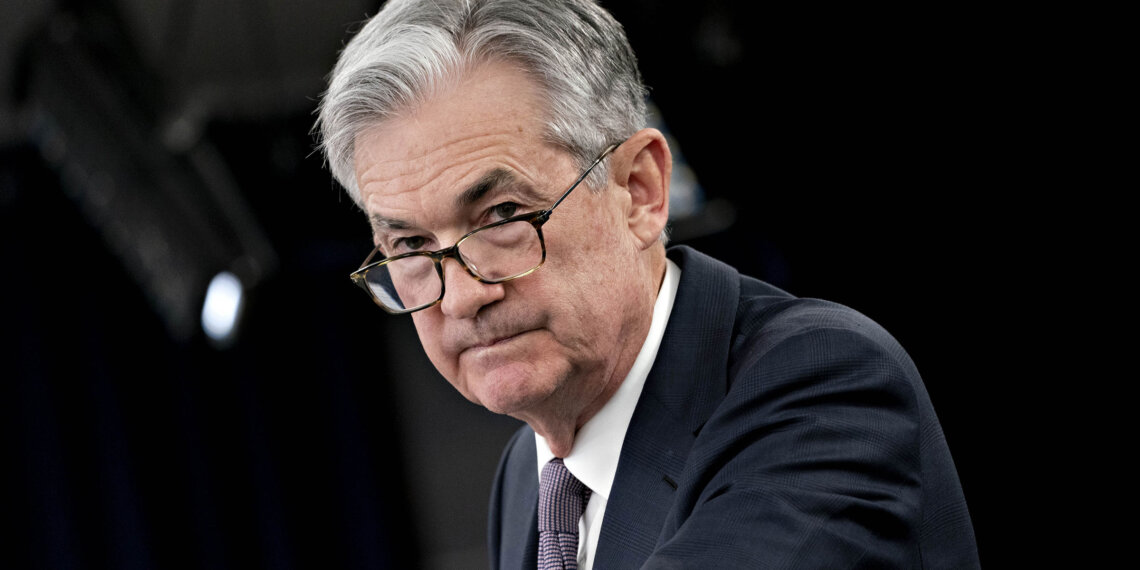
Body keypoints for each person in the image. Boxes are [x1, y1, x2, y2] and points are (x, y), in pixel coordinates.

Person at [316, 0, 980, 567]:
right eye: (409, 245)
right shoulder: (528, 475)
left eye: (503, 217)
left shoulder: (823, 384)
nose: (461, 297)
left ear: (639, 190)